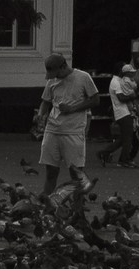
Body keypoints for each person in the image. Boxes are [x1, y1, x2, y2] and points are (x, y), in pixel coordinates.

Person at [35, 52, 101, 197]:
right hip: (52, 130)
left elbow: (96, 100)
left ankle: (77, 210)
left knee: (76, 174)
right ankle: (48, 205)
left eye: (56, 73)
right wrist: (41, 114)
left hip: (73, 132)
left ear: (64, 66)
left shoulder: (83, 77)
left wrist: (73, 108)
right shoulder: (52, 81)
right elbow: (45, 102)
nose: (54, 77)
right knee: (51, 172)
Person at [105, 65, 139, 166]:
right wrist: (134, 95)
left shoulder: (120, 81)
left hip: (126, 111)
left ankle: (105, 154)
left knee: (125, 137)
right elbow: (122, 98)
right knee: (128, 138)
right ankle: (123, 160)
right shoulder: (117, 82)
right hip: (123, 112)